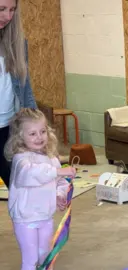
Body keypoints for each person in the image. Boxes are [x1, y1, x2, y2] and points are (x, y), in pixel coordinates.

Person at [4, 108, 76, 270]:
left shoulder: (51, 158)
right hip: (25, 219)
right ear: (20, 136)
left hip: (45, 217)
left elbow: (60, 182)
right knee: (31, 259)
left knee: (46, 258)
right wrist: (58, 171)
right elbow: (29, 175)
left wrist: (59, 195)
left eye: (42, 131)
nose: (39, 137)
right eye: (32, 133)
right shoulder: (20, 159)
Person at [0, 0, 37, 190]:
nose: (7, 16)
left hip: (9, 128)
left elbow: (25, 87)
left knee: (21, 189)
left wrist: (36, 122)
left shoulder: (18, 43)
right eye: (1, 9)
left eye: (12, 10)